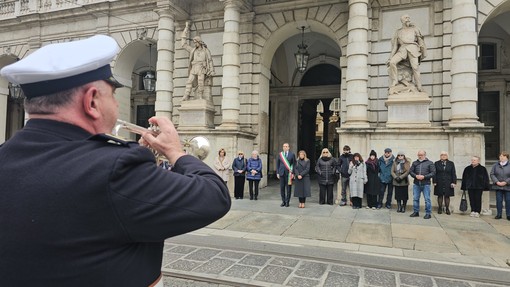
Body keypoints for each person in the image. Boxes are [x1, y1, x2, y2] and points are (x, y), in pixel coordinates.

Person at [0, 35, 231, 286]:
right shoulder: (117, 168)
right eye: (111, 94)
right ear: (91, 102)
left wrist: (145, 167)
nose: (117, 105)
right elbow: (214, 196)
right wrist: (176, 152)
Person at [387, 14, 427, 93]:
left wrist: (422, 51)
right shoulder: (398, 32)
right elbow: (395, 46)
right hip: (402, 49)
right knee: (392, 62)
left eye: (409, 18)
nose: (408, 19)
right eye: (406, 18)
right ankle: (395, 80)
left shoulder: (414, 29)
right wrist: (390, 57)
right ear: (402, 20)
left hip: (413, 48)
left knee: (415, 67)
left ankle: (419, 86)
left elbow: (420, 41)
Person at [181, 21, 215, 101]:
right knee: (189, 81)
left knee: (200, 83)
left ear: (199, 42)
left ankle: (200, 97)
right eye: (194, 42)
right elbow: (184, 44)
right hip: (194, 67)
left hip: (202, 68)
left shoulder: (206, 51)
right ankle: (186, 96)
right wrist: (186, 29)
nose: (194, 44)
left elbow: (210, 61)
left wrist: (212, 70)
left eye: (195, 42)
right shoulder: (193, 50)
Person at [409, 150, 436, 219]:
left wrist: (424, 177)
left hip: (426, 184)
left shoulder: (430, 163)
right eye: (419, 155)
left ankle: (428, 213)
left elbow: (433, 173)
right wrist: (416, 176)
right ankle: (416, 212)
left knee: (427, 199)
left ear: (425, 155)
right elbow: (411, 171)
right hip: (416, 184)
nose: (420, 156)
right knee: (415, 199)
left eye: (421, 155)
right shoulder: (415, 163)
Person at [490, 152, 510, 220]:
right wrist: (497, 182)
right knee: (499, 200)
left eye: (503, 156)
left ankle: (508, 214)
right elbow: (492, 174)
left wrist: (506, 182)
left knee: (508, 200)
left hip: (508, 186)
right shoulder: (495, 165)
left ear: (507, 157)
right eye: (500, 156)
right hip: (498, 186)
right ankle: (499, 214)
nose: (501, 157)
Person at [276, 143, 296, 207]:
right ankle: (283, 201)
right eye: (284, 146)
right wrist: (277, 173)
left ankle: (287, 202)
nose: (285, 147)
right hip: (281, 173)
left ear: (289, 147)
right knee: (282, 188)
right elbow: (277, 164)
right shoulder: (280, 154)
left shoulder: (292, 154)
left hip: (289, 174)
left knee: (288, 188)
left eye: (286, 146)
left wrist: (293, 173)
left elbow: (294, 164)